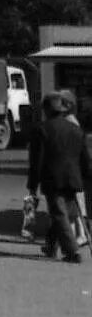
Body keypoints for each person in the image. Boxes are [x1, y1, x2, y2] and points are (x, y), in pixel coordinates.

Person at [27, 90, 92, 264]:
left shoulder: (41, 130)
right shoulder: (76, 130)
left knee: (59, 214)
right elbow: (84, 158)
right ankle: (51, 245)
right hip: (73, 178)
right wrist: (86, 177)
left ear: (46, 110)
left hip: (52, 178)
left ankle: (72, 251)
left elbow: (36, 161)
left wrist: (33, 186)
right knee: (65, 213)